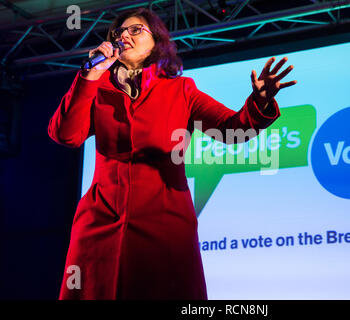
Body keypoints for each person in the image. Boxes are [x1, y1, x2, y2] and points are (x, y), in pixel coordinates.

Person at [48, 7, 297, 300]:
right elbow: (65, 135)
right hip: (100, 225)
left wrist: (259, 101)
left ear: (158, 42)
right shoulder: (97, 88)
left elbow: (233, 131)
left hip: (163, 226)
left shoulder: (181, 91)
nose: (124, 36)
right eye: (118, 32)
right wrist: (89, 75)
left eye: (135, 30)